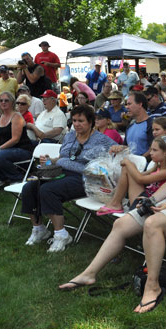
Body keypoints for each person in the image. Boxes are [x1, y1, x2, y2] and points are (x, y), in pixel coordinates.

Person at [58, 110, 166, 314]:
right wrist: (151, 200)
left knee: (152, 224)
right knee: (121, 224)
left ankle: (152, 286)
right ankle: (89, 273)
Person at [23, 105, 116, 252]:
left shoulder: (102, 140)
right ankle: (39, 229)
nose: (77, 124)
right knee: (29, 187)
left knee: (48, 190)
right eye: (74, 120)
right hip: (61, 172)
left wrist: (118, 149)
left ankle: (61, 235)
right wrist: (48, 161)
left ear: (91, 122)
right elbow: (62, 158)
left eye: (81, 121)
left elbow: (120, 152)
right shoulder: (70, 136)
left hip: (84, 178)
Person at [96, 135, 166, 215]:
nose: (151, 153)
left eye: (155, 150)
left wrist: (128, 163)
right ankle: (115, 202)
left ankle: (115, 204)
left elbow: (141, 179)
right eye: (151, 149)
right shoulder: (157, 167)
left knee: (127, 167)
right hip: (143, 197)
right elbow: (139, 175)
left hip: (147, 203)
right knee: (128, 168)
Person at [0, 92, 33, 186]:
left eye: (6, 100)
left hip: (22, 149)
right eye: (1, 100)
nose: (3, 102)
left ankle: (18, 178)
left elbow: (15, 139)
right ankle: (3, 178)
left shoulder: (16, 116)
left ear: (12, 102)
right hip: (7, 149)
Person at [113, 92, 153, 156]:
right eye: (126, 104)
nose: (127, 107)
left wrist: (139, 160)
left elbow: (154, 149)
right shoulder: (130, 126)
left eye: (129, 104)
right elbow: (127, 147)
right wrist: (117, 149)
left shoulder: (151, 125)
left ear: (140, 104)